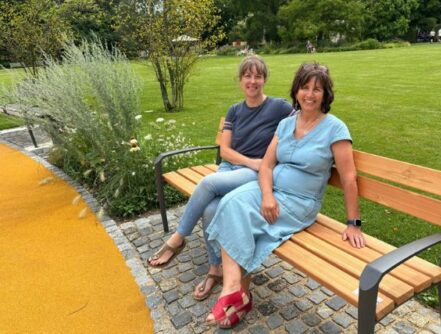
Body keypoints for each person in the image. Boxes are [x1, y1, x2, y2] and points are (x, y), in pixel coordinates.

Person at [204, 63, 365, 328]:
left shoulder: (335, 129)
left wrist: (353, 223)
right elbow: (266, 165)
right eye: (305, 88)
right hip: (271, 191)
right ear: (296, 91)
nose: (310, 94)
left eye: (317, 89)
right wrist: (267, 194)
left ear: (326, 95)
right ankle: (234, 290)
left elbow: (348, 177)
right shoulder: (286, 123)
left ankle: (235, 295)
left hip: (299, 201)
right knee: (230, 203)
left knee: (241, 217)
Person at [147, 55, 294, 301]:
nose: (253, 81)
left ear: (265, 79)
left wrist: (263, 163)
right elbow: (224, 151)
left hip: (255, 173)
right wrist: (248, 160)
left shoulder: (279, 107)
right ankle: (215, 269)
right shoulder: (234, 110)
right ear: (240, 80)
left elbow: (303, 118)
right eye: (248, 76)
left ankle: (178, 237)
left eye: (258, 76)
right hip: (235, 167)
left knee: (207, 183)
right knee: (210, 209)